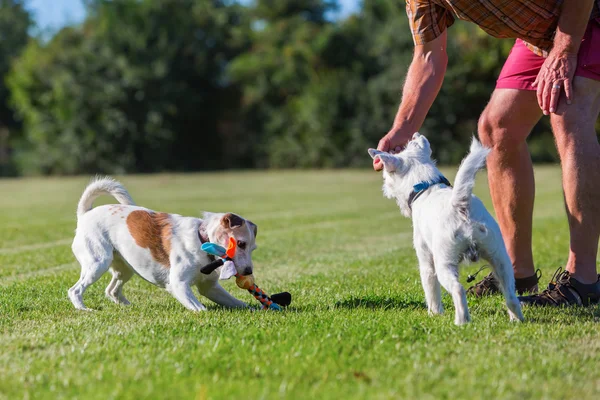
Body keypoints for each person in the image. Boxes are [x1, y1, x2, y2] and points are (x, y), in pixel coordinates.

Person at [374, 0, 600, 306]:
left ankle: (583, 281)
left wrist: (564, 50)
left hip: (586, 14)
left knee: (568, 110)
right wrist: (402, 129)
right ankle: (516, 271)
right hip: (541, 34)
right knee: (497, 127)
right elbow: (428, 56)